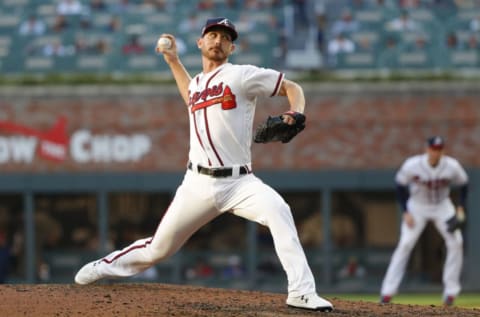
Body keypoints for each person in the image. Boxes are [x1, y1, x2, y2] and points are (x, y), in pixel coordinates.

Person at [74, 16, 333, 312]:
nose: (218, 40)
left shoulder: (242, 75)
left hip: (239, 183)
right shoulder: (198, 84)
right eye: (213, 35)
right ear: (200, 43)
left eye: (225, 37)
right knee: (158, 249)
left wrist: (295, 113)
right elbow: (190, 95)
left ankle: (301, 292)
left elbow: (292, 86)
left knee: (279, 211)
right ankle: (104, 266)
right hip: (196, 184)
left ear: (232, 48)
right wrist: (172, 60)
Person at [380, 136, 468, 307]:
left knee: (456, 242)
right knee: (405, 243)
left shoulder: (452, 166)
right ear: (427, 149)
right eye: (433, 148)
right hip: (417, 206)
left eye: (439, 148)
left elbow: (464, 184)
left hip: (442, 206)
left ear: (443, 150)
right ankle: (387, 292)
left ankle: (450, 292)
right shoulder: (412, 165)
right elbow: (399, 185)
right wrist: (405, 211)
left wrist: (461, 207)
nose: (436, 152)